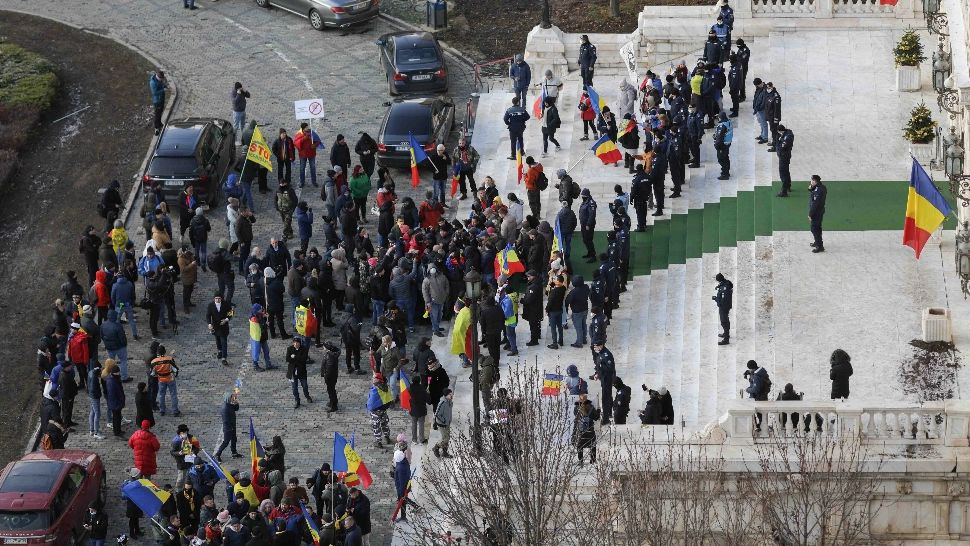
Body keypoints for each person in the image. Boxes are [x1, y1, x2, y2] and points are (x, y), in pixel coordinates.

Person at [151, 345, 180, 416]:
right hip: (170, 378)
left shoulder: (154, 361)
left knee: (161, 395)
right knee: (173, 395)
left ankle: (162, 410)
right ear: (165, 351)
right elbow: (175, 369)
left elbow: (152, 373)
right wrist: (175, 375)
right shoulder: (169, 359)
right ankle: (175, 411)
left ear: (157, 352)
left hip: (161, 380)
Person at [592, 343, 615, 424]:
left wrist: (601, 368)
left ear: (601, 345)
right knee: (608, 396)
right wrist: (597, 373)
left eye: (596, 346)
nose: (594, 348)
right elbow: (598, 365)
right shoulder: (600, 352)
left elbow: (610, 368)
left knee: (605, 399)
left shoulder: (606, 355)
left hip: (607, 379)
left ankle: (606, 419)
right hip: (603, 378)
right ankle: (609, 413)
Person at [573, 393, 599, 464]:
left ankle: (580, 460)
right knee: (592, 444)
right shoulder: (591, 407)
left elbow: (575, 416)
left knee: (580, 445)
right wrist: (598, 411)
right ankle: (593, 460)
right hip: (590, 429)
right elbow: (596, 417)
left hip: (581, 430)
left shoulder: (576, 408)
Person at [215, 390, 242, 461]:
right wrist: (231, 428)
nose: (233, 398)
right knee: (226, 442)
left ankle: (234, 452)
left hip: (232, 426)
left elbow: (236, 409)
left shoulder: (229, 404)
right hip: (228, 428)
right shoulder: (225, 408)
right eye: (232, 397)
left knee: (234, 439)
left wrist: (236, 403)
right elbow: (226, 421)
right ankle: (218, 454)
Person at [207, 292, 232, 366]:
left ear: (221, 298)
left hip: (224, 326)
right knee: (217, 340)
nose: (217, 300)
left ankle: (224, 357)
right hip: (215, 326)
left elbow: (231, 312)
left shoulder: (225, 304)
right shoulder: (211, 305)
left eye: (219, 298)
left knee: (224, 342)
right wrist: (209, 324)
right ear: (214, 299)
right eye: (216, 298)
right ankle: (219, 351)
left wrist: (226, 320)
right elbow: (208, 315)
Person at [103, 359, 126, 438]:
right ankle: (117, 431)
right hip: (115, 403)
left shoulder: (112, 379)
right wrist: (120, 402)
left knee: (117, 417)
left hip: (115, 403)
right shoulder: (112, 382)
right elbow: (115, 394)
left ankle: (118, 430)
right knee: (116, 418)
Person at [293, 123, 320, 188]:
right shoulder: (299, 134)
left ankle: (314, 181)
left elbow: (318, 140)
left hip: (311, 153)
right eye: (306, 127)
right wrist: (304, 138)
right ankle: (302, 182)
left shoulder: (312, 133)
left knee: (313, 168)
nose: (308, 128)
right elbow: (296, 143)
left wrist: (315, 145)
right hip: (303, 154)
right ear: (303, 128)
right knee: (302, 168)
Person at [522, 270, 544, 346]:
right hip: (536, 308)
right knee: (536, 323)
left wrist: (523, 301)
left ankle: (534, 340)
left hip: (533, 309)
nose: (527, 278)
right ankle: (537, 335)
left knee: (533, 325)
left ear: (533, 276)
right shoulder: (536, 283)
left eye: (529, 276)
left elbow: (529, 299)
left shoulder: (534, 286)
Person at [545, 275, 566, 350]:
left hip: (553, 311)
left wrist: (547, 310)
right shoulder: (563, 288)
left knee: (553, 328)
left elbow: (549, 300)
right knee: (560, 326)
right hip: (559, 310)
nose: (554, 280)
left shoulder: (554, 292)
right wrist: (552, 282)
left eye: (555, 279)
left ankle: (554, 344)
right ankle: (561, 341)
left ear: (558, 281)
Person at [432, 389, 453, 458]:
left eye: (451, 394)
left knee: (447, 438)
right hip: (442, 424)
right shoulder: (442, 403)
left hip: (447, 423)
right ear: (446, 395)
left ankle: (445, 452)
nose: (451, 395)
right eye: (450, 394)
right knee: (444, 438)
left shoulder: (449, 401)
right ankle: (436, 447)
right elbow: (437, 414)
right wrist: (443, 421)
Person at [713, 273, 733, 346]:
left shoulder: (725, 288)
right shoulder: (725, 282)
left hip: (724, 307)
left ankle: (726, 339)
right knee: (724, 321)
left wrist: (716, 299)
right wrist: (718, 286)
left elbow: (724, 300)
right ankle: (725, 333)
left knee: (724, 322)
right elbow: (723, 284)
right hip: (724, 306)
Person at [809, 174, 827, 252]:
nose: (810, 181)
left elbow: (815, 204)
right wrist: (812, 187)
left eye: (812, 180)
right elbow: (810, 190)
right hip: (820, 211)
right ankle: (817, 242)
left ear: (815, 181)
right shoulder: (822, 187)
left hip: (816, 212)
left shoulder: (817, 191)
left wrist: (810, 214)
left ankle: (819, 246)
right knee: (818, 228)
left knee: (814, 229)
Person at [713, 111, 732, 180]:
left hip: (722, 145)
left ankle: (725, 174)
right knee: (726, 158)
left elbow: (720, 137)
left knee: (721, 159)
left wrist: (716, 146)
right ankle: (727, 172)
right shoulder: (729, 122)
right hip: (727, 143)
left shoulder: (722, 125)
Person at [776, 124, 794, 197]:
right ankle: (788, 186)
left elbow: (783, 146)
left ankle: (784, 191)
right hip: (784, 155)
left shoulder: (788, 136)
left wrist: (781, 140)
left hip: (784, 156)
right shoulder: (786, 134)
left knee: (783, 173)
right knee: (786, 171)